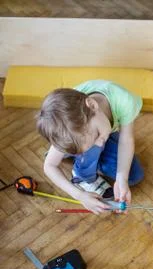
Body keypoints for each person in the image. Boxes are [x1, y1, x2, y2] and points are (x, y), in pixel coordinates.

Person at [36, 80, 144, 214]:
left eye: (97, 135)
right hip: (86, 135)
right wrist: (80, 195)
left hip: (105, 132)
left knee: (134, 176)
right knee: (89, 146)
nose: (100, 144)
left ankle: (71, 152)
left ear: (92, 105)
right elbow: (49, 166)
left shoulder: (124, 101)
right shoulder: (69, 126)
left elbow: (126, 139)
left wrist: (122, 179)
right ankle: (80, 172)